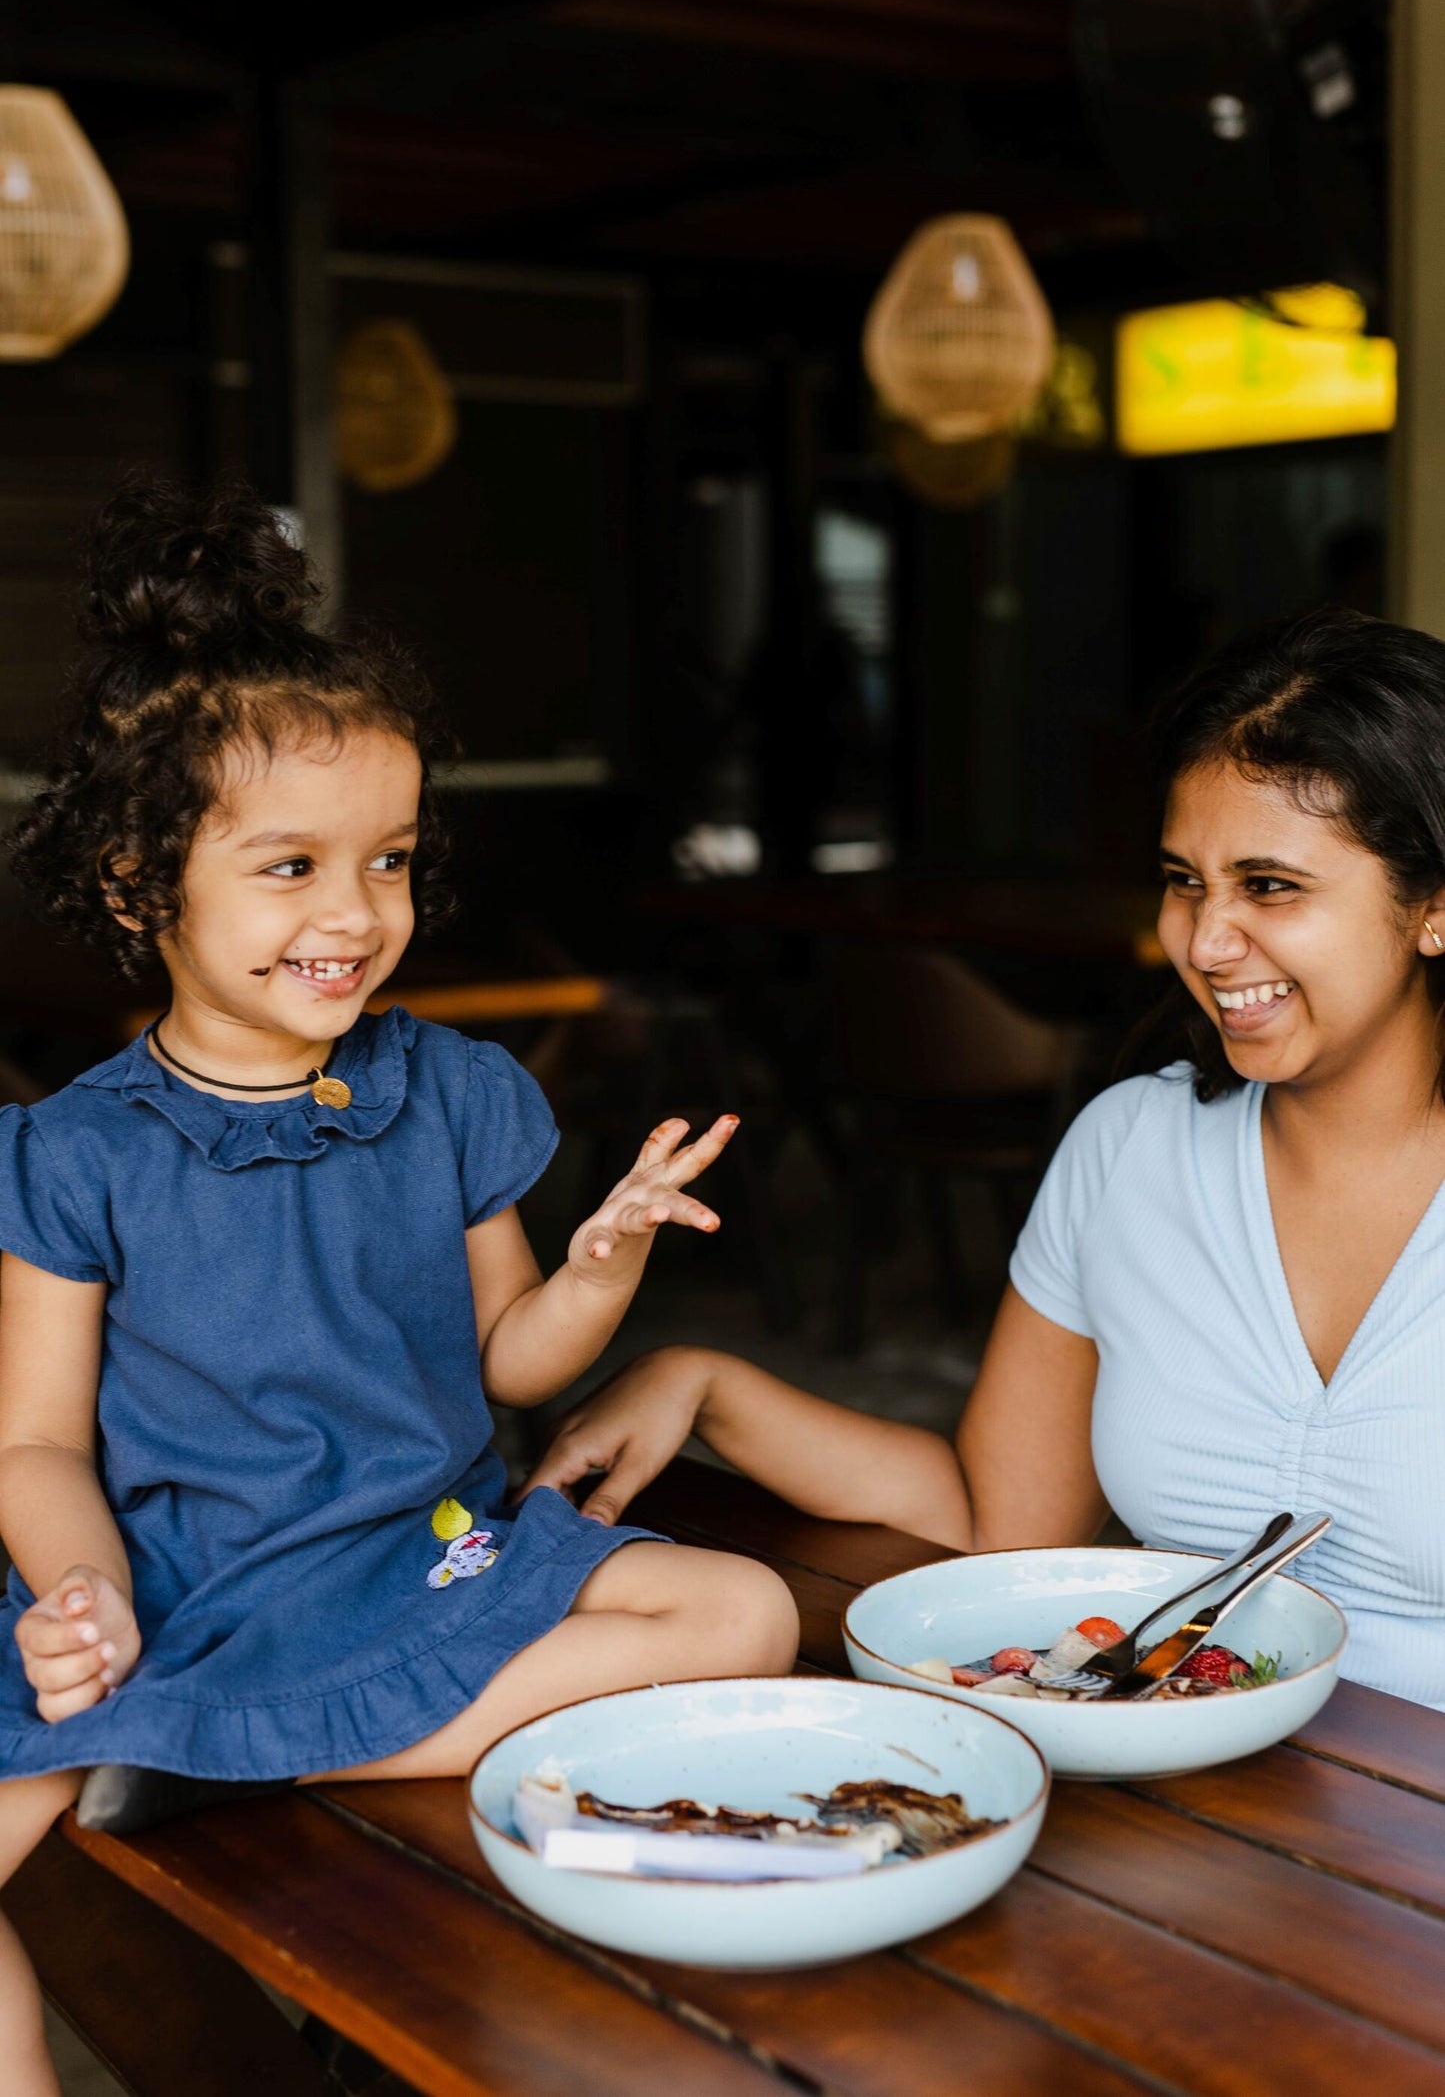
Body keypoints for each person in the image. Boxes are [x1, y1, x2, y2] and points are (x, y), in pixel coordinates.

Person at [0, 478, 797, 2096]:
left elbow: (515, 1365)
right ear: (145, 887)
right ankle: (176, 1728)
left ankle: (217, 1754)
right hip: (179, 1595)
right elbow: (32, 1449)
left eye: (391, 861)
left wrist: (600, 1258)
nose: (355, 914)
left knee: (748, 1607)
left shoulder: (452, 1091)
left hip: (417, 1574)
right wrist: (83, 1599)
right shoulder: (74, 1153)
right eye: (290, 866)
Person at [527, 609, 1445, 1713]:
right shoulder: (1129, 1150)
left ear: (1430, 907)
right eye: (1182, 880)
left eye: (1268, 886)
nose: (1202, 942)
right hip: (1191, 1797)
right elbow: (1000, 1530)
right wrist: (705, 1382)